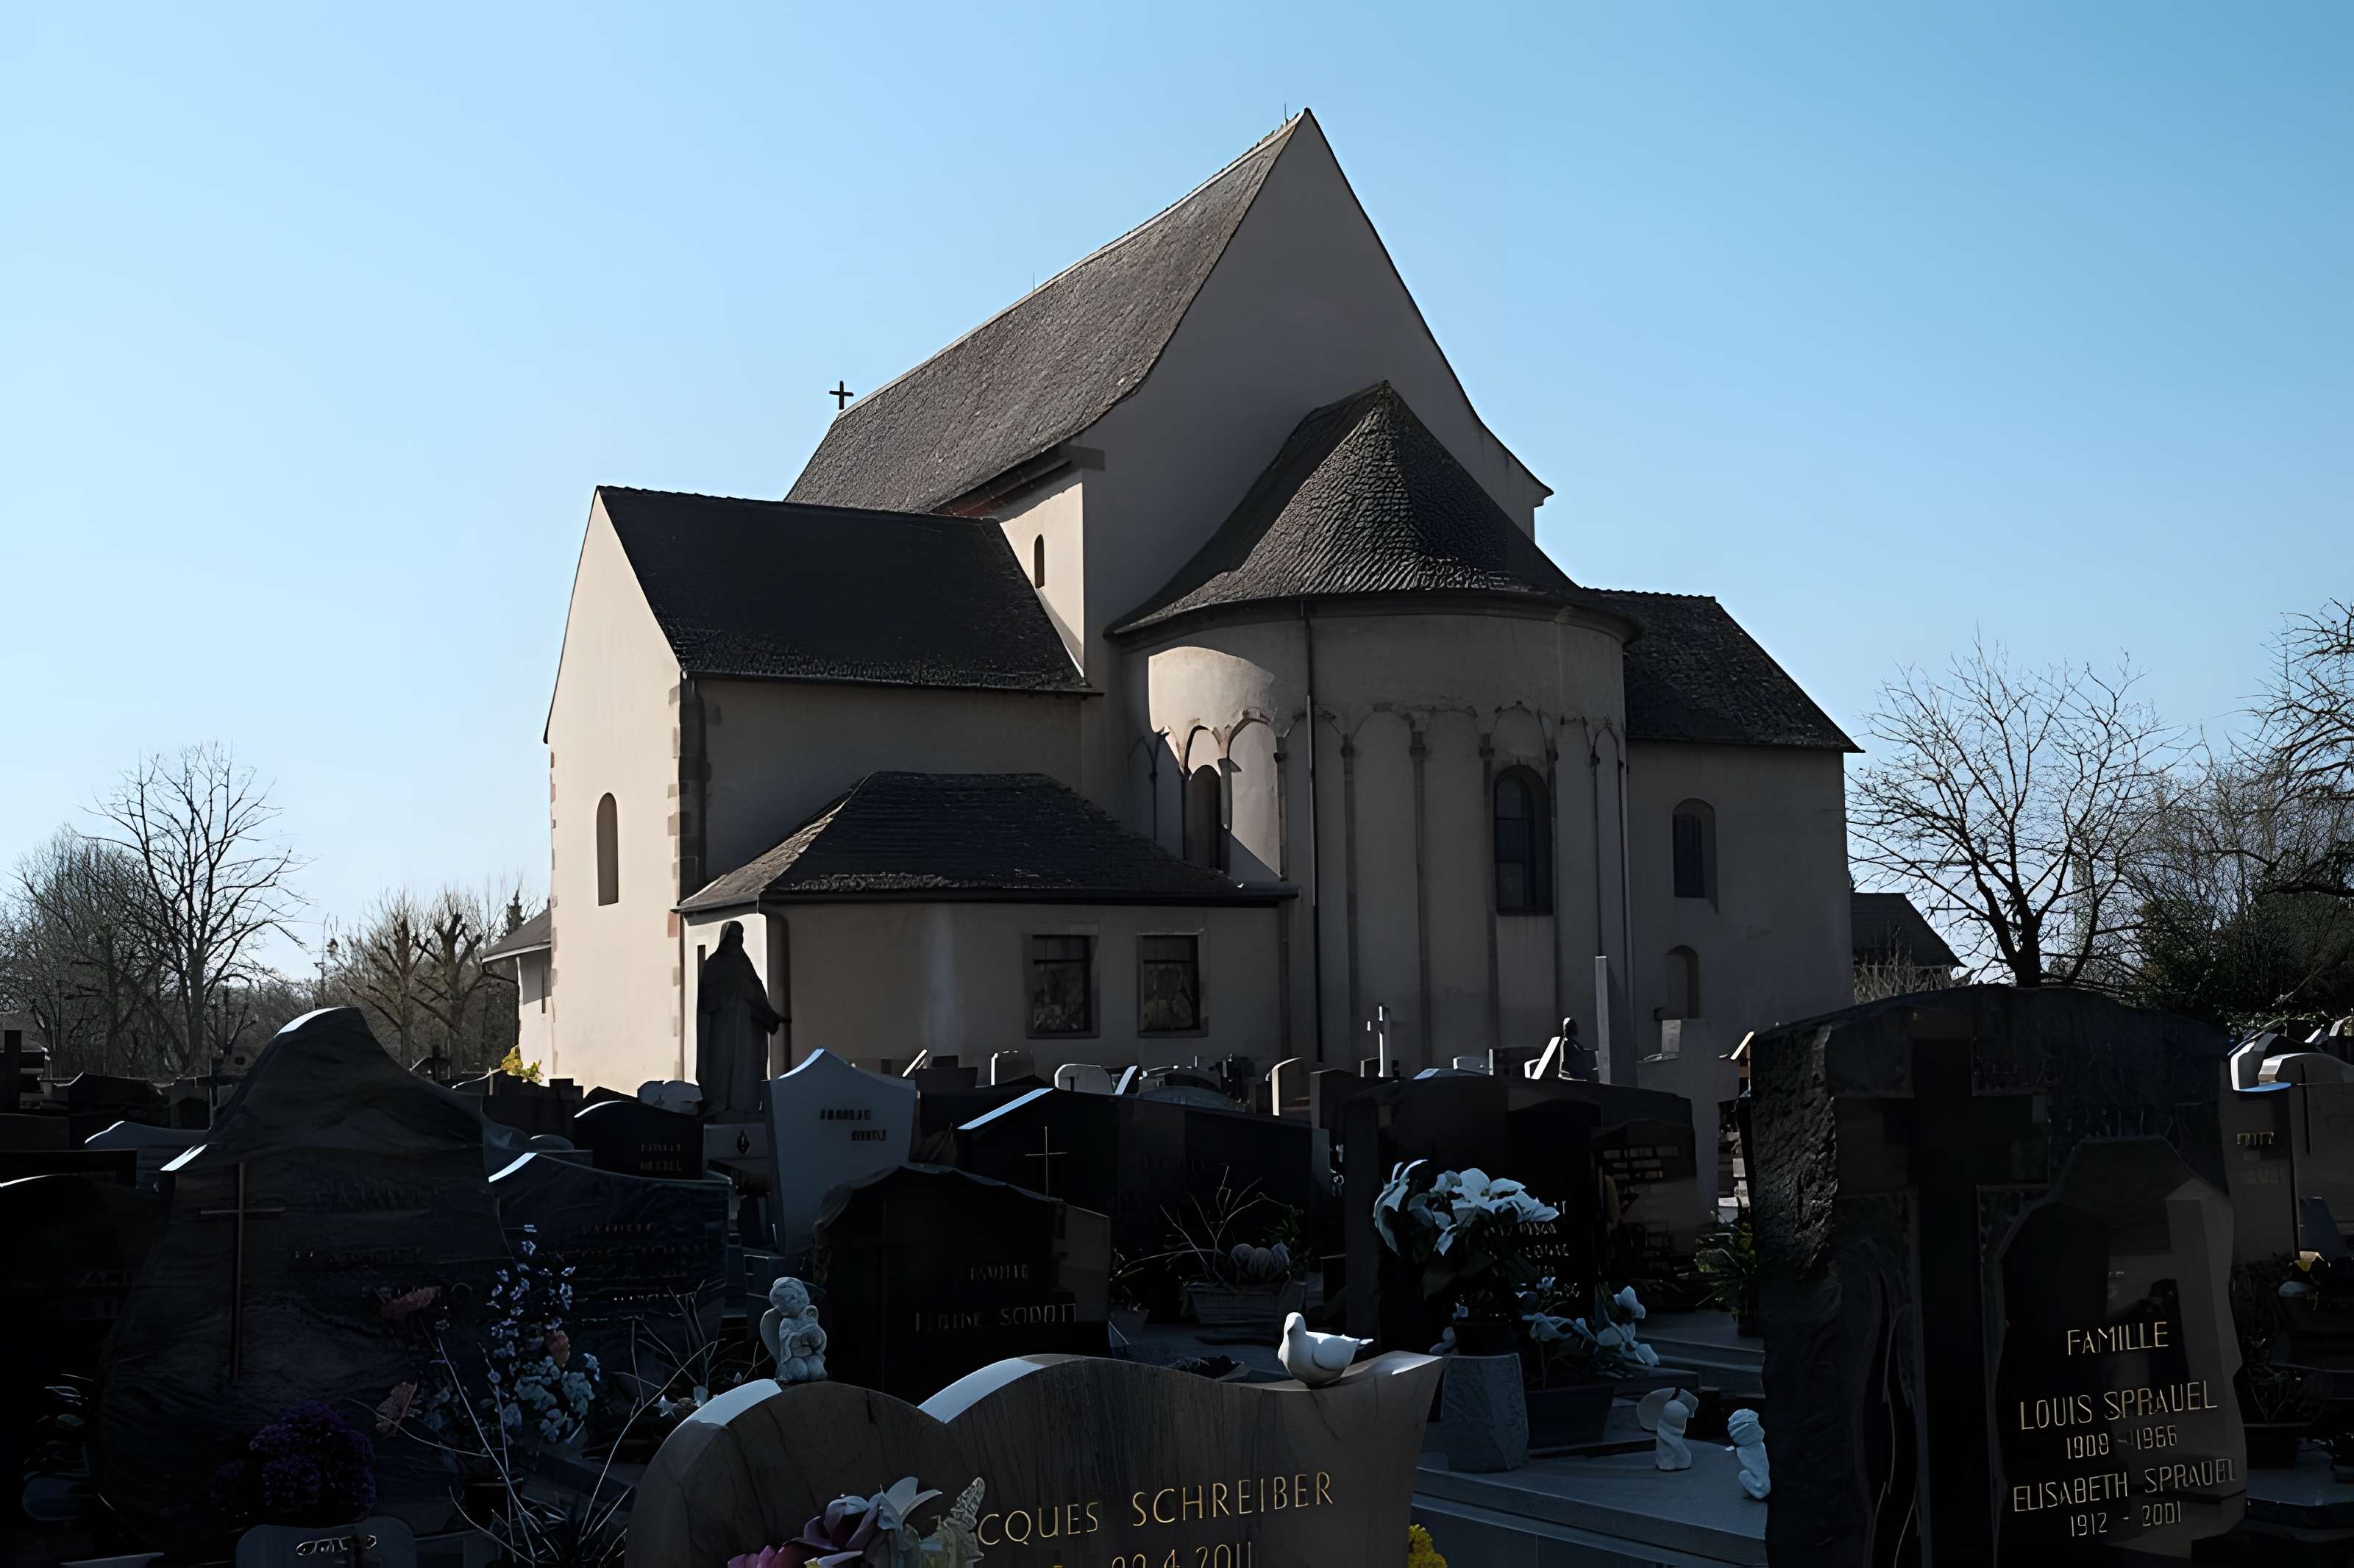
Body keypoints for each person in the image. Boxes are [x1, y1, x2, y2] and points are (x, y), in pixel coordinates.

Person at [695, 921, 782, 1116]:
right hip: (722, 1027)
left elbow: (757, 992)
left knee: (745, 1066)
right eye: (733, 937)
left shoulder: (745, 964)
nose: (736, 941)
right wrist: (730, 991)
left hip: (745, 1028)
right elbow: (706, 999)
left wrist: (769, 1013)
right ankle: (720, 1103)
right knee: (721, 1065)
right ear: (725, 939)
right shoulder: (714, 963)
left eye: (739, 937)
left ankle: (743, 1104)